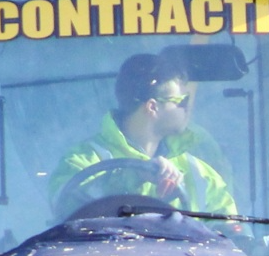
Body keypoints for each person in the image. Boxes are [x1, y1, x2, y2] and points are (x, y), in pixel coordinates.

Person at [50, 54, 236, 215]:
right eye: (182, 101)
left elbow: (231, 232)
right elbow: (65, 206)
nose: (188, 107)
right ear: (153, 107)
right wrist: (134, 176)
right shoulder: (81, 161)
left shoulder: (197, 172)